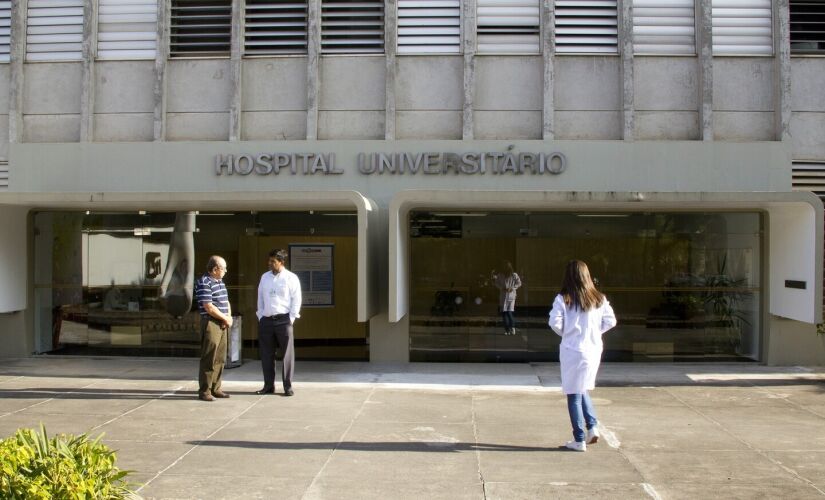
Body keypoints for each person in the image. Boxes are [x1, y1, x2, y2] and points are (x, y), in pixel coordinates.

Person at [548, 260, 616, 452]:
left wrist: (569, 334)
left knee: (573, 393)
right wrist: (594, 333)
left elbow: (555, 323)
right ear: (587, 276)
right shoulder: (599, 299)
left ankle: (579, 439)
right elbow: (611, 321)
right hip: (593, 349)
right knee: (583, 387)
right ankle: (592, 426)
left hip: (573, 350)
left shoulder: (563, 299)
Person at [256, 249, 302, 396]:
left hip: (284, 320)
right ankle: (268, 386)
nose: (269, 263)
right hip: (267, 320)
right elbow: (260, 298)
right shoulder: (264, 277)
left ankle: (287, 386)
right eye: (269, 261)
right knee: (266, 354)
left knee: (287, 354)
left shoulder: (291, 278)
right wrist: (261, 315)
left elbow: (297, 299)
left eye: (273, 261)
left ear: (281, 262)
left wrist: (291, 318)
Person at [194, 255, 232, 402]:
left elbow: (226, 301)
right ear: (215, 269)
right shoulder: (204, 282)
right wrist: (224, 318)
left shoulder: (220, 282)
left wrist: (227, 317)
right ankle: (205, 390)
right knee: (209, 357)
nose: (226, 271)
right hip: (211, 323)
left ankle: (216, 387)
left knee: (220, 357)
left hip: (222, 322)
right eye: (224, 268)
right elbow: (208, 306)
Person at [493, 262, 521, 335]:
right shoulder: (512, 275)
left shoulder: (505, 275)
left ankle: (508, 330)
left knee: (505, 313)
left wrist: (505, 288)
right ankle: (511, 328)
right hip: (509, 295)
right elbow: (519, 283)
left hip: (507, 295)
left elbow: (496, 283)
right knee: (508, 312)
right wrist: (512, 288)